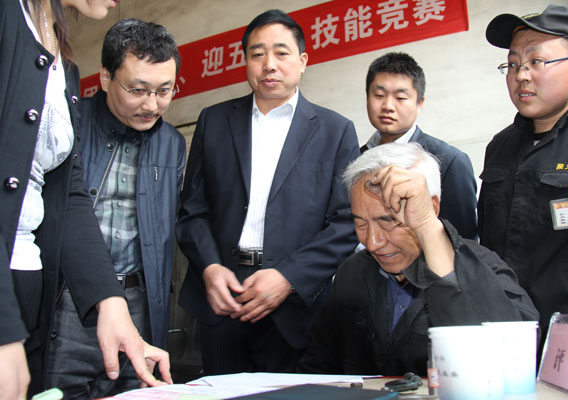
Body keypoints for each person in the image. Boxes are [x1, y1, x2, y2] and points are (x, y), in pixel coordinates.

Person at [0, 1, 172, 398]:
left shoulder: (63, 63)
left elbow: (67, 192)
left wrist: (111, 302)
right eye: (138, 89)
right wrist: (4, 327)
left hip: (26, 278)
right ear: (108, 79)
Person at [176, 9, 360, 374]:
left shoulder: (335, 130)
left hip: (295, 305)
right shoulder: (214, 120)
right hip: (223, 295)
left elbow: (346, 223)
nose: (269, 65)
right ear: (245, 61)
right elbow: (193, 210)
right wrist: (210, 267)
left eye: (281, 53)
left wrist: (289, 277)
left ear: (303, 61)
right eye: (257, 54)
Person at [298, 143, 539, 376]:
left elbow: (511, 360)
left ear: (431, 207)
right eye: (360, 223)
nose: (372, 242)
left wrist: (426, 226)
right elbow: (318, 367)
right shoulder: (353, 272)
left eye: (388, 221)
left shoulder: (483, 267)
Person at [44, 18, 185, 398]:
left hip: (139, 301)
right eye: (137, 90)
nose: (151, 105)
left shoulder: (172, 144)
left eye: (164, 91)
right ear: (106, 77)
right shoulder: (70, 123)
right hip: (69, 301)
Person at [478, 5, 568, 349]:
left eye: (537, 61)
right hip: (508, 332)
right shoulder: (499, 147)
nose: (522, 75)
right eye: (513, 64)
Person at [361, 52, 478, 239]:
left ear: (419, 103)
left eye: (400, 98)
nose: (388, 106)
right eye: (379, 95)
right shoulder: (356, 157)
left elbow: (462, 240)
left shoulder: (449, 161)